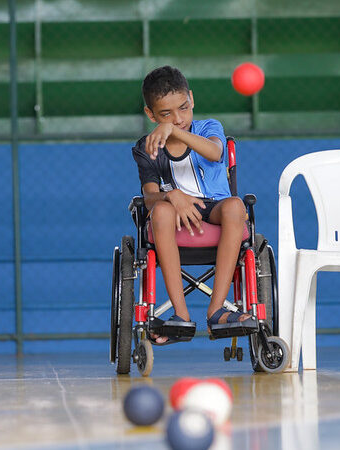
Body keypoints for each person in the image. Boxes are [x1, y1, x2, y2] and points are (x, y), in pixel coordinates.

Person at [131, 66, 254, 344]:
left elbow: (215, 151)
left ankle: (216, 310)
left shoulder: (210, 127)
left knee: (236, 207)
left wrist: (173, 131)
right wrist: (171, 195)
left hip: (215, 207)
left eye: (184, 108)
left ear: (192, 99)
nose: (178, 118)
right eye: (166, 114)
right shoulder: (146, 147)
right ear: (150, 114)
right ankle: (181, 315)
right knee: (159, 210)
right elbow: (149, 196)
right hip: (174, 214)